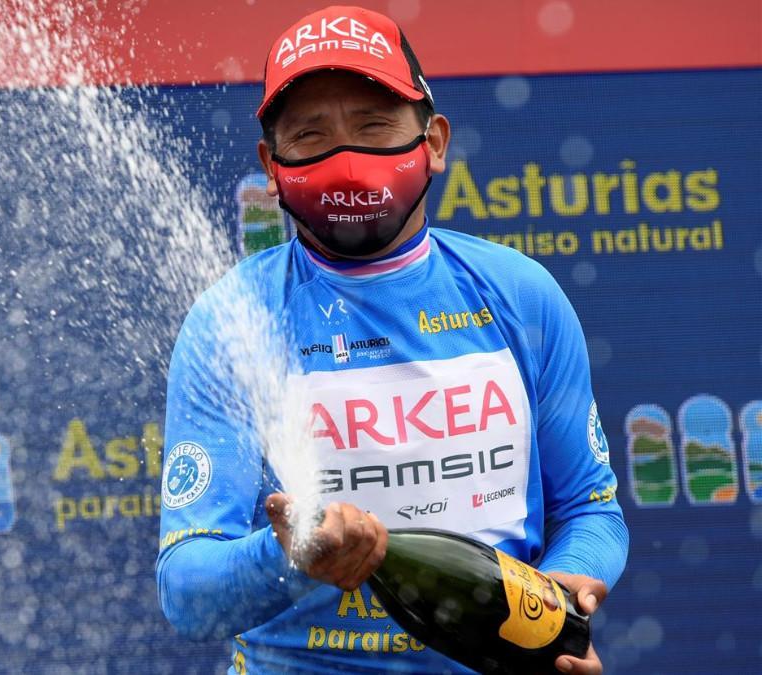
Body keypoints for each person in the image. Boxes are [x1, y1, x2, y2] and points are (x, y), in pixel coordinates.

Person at [155, 5, 628, 674]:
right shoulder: (233, 320)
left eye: (373, 125)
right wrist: (289, 554)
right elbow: (187, 591)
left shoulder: (522, 294)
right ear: (272, 165)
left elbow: (590, 508)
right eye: (311, 135)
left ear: (433, 141)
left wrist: (560, 596)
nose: (344, 160)